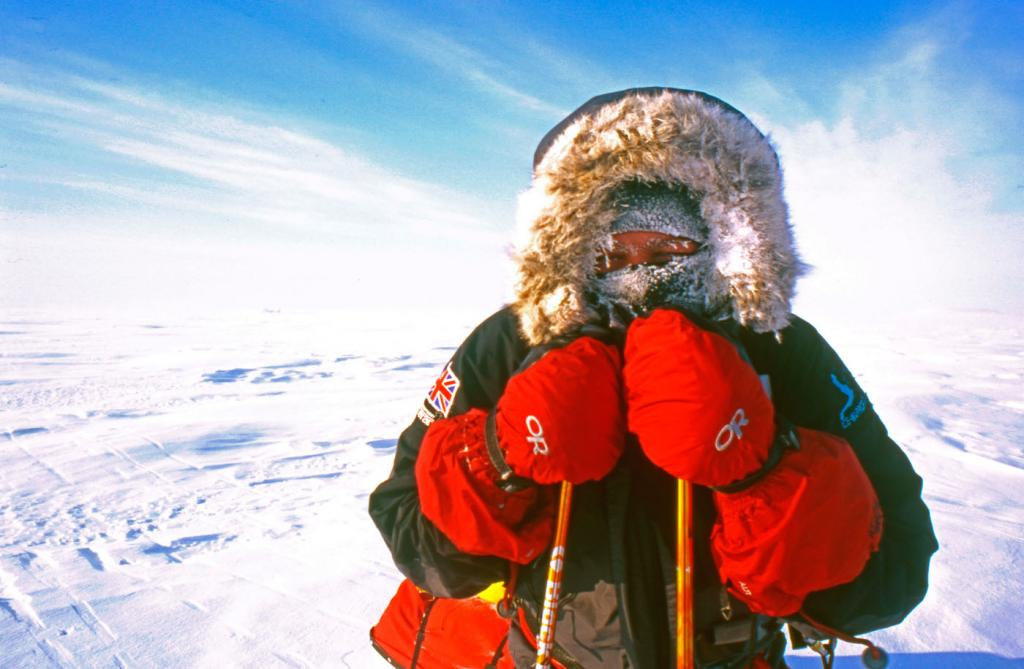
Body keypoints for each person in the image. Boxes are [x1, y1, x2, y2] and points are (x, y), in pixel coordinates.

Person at [368, 88, 937, 668]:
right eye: (615, 252)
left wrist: (763, 468)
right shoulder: (513, 343)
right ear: (573, 248)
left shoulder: (779, 347)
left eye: (669, 246)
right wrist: (501, 455)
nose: (642, 275)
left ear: (722, 240)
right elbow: (416, 540)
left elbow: (891, 578)